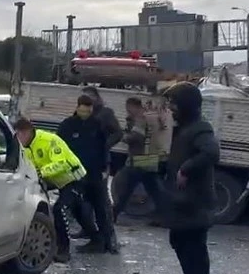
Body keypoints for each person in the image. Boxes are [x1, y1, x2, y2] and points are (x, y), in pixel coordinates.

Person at [161, 82, 220, 274]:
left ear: (186, 105)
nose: (171, 108)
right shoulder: (185, 127)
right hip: (182, 202)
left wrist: (186, 169)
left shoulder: (200, 128)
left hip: (196, 202)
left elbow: (212, 152)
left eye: (175, 103)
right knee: (179, 242)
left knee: (195, 248)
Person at [14, 117, 95, 263]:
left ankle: (64, 251)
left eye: (19, 135)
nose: (18, 139)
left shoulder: (49, 140)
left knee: (60, 209)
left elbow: (62, 163)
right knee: (78, 211)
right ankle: (96, 237)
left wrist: (42, 173)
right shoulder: (25, 147)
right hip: (58, 181)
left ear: (27, 132)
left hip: (74, 178)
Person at [57, 94, 114, 253]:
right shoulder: (68, 125)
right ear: (77, 107)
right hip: (74, 174)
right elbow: (59, 146)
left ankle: (106, 241)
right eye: (83, 109)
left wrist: (105, 167)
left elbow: (104, 147)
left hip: (94, 173)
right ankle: (94, 237)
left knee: (100, 207)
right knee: (76, 207)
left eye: (88, 110)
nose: (86, 113)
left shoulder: (97, 125)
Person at [112, 97, 167, 224]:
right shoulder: (147, 116)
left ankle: (114, 214)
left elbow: (137, 137)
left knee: (126, 186)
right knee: (154, 189)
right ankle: (164, 216)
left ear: (133, 106)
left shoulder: (141, 118)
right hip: (149, 157)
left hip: (141, 158)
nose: (127, 111)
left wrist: (123, 137)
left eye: (128, 108)